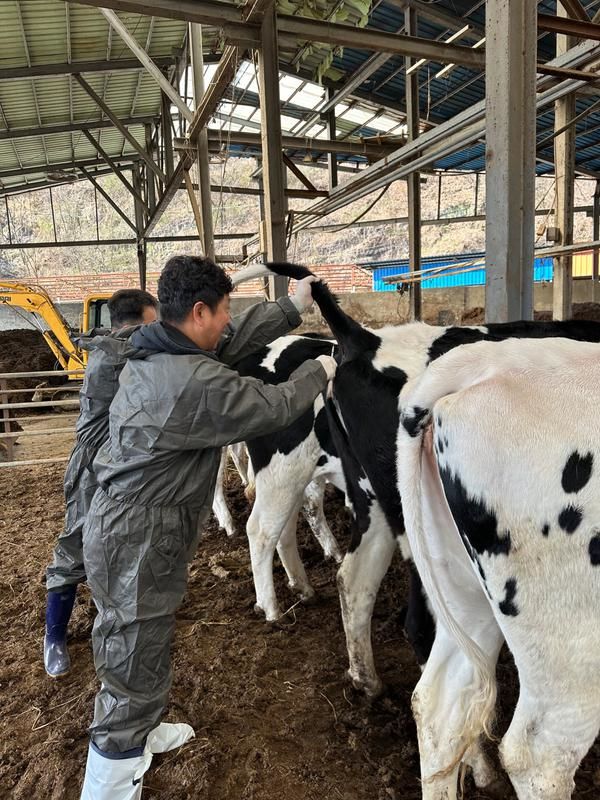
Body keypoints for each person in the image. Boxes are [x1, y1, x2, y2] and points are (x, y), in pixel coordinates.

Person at [79, 255, 336, 800]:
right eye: (221, 312)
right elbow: (273, 405)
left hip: (132, 525)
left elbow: (231, 339)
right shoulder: (190, 384)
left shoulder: (155, 342)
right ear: (197, 311)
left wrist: (293, 307)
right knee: (132, 651)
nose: (226, 322)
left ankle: (140, 731)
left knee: (136, 643)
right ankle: (109, 781)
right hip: (138, 536)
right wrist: (321, 371)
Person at [44, 289, 159, 678]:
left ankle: (108, 621)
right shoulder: (112, 354)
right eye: (155, 319)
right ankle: (54, 637)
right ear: (142, 320)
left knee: (123, 548)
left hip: (125, 467)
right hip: (93, 470)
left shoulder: (122, 348)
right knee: (75, 545)